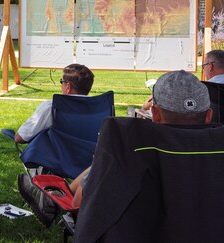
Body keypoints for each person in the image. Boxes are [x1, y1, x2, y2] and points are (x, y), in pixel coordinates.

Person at [19, 69, 213, 227]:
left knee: (99, 167)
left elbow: (79, 203)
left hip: (138, 230)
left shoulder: (131, 154)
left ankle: (52, 200)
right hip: (208, 229)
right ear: (208, 116)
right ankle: (53, 199)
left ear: (155, 114)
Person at [13, 64, 94, 143]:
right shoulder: (100, 108)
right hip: (90, 156)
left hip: (58, 155)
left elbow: (20, 137)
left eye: (61, 81)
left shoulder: (52, 107)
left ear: (68, 87)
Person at [142, 49, 224, 111]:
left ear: (210, 66)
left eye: (203, 66)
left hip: (203, 135)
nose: (203, 69)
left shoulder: (201, 90)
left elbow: (146, 106)